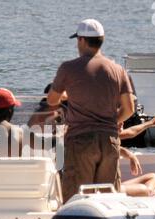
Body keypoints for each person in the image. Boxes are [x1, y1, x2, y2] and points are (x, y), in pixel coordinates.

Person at [47, 18, 135, 203]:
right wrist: (111, 122)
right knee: (108, 200)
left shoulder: (68, 68)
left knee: (76, 199)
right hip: (109, 142)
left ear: (82, 40)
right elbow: (129, 109)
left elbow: (52, 100)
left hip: (80, 141)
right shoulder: (117, 69)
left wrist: (67, 95)